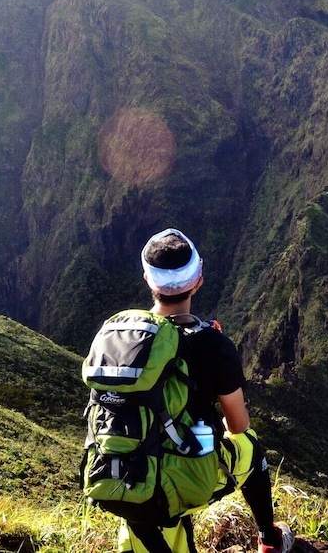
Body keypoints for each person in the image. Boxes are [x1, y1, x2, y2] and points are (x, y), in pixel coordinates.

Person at [118, 228, 294, 553]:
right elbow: (238, 426)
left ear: (147, 279)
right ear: (198, 280)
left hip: (120, 475)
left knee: (150, 509)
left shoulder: (124, 337)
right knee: (251, 449)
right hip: (181, 476)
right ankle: (269, 540)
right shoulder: (214, 344)